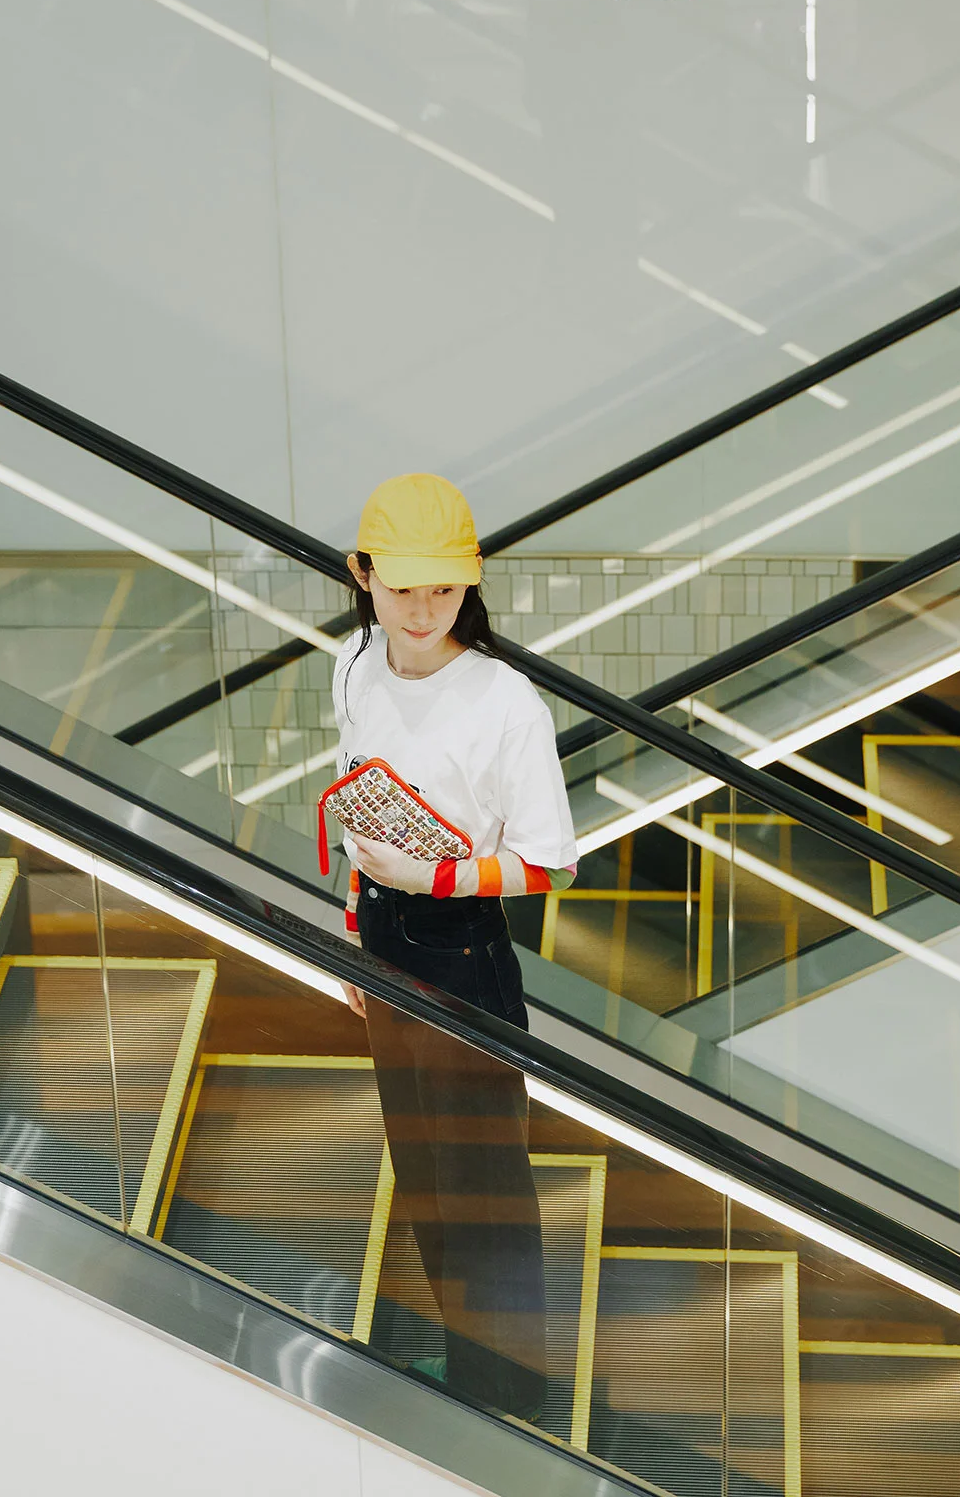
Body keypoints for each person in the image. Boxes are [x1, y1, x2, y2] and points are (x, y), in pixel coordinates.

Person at [332, 472, 578, 1424]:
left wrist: (439, 878)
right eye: (404, 588)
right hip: (381, 935)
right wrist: (356, 922)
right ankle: (470, 1367)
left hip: (464, 950)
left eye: (445, 588)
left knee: (486, 1189)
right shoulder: (355, 663)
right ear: (362, 575)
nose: (425, 609)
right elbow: (357, 791)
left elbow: (548, 863)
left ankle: (515, 1397)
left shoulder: (506, 702)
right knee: (423, 1167)